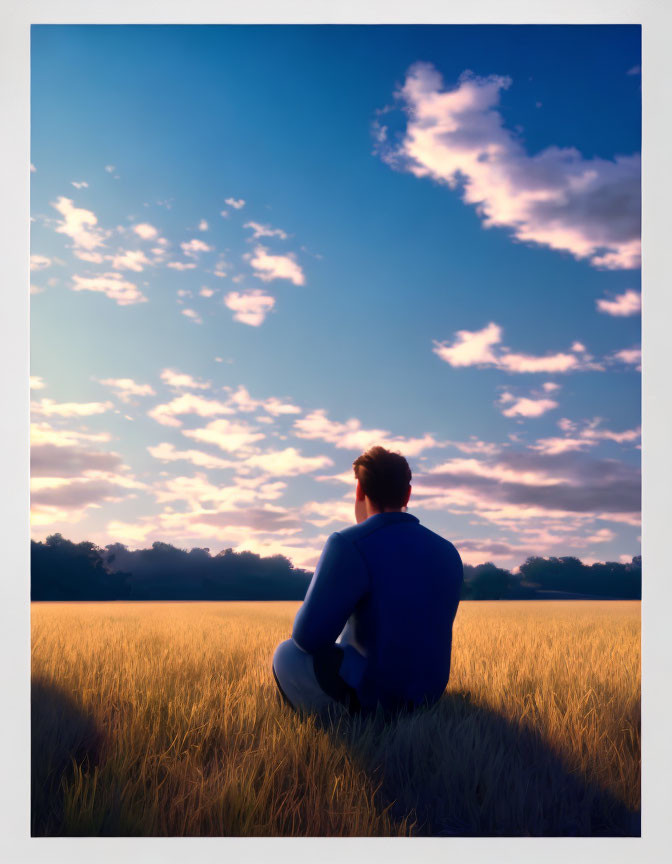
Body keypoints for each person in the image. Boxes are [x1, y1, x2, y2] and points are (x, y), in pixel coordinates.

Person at [272, 445, 464, 718]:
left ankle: (346, 723)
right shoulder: (448, 552)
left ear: (359, 491)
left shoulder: (348, 544)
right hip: (429, 695)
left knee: (287, 654)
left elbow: (308, 638)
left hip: (374, 697)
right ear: (407, 494)